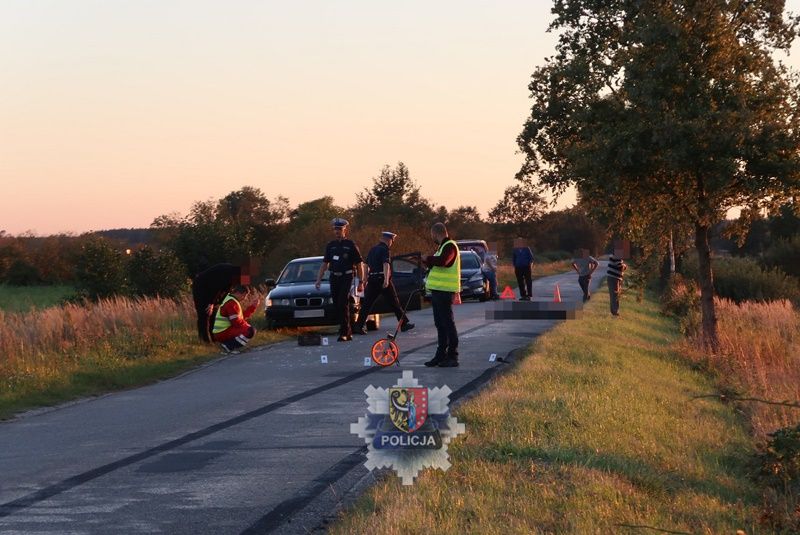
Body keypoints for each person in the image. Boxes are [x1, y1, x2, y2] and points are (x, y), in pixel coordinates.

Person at [355, 231, 415, 335]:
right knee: (394, 303)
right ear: (388, 240)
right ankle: (404, 324)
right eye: (392, 240)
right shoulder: (385, 249)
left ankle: (358, 326)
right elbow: (386, 264)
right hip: (381, 278)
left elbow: (365, 265)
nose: (392, 243)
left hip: (372, 279)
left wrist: (365, 279)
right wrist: (386, 280)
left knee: (367, 305)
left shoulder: (373, 249)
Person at [315, 218, 365, 341]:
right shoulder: (330, 246)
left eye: (339, 229)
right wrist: (318, 279)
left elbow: (359, 264)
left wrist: (361, 281)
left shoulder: (350, 245)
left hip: (347, 276)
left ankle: (344, 332)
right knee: (338, 304)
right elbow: (325, 263)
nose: (337, 231)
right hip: (334, 277)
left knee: (343, 302)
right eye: (335, 229)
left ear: (345, 230)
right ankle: (346, 329)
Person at [423, 222, 461, 368]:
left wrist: (429, 258)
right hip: (437, 291)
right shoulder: (441, 247)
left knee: (447, 324)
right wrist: (426, 261)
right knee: (440, 324)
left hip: (445, 292)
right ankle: (440, 355)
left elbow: (445, 262)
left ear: (435, 233)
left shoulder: (450, 246)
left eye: (431, 235)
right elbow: (437, 265)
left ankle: (452, 356)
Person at [191, 263, 245, 343]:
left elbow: (226, 290)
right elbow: (215, 288)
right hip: (201, 286)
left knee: (214, 314)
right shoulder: (226, 272)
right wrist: (211, 303)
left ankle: (214, 339)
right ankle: (204, 340)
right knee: (205, 313)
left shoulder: (234, 276)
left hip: (212, 289)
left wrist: (219, 303)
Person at [212, 284, 260, 353]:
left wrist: (253, 307)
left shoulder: (230, 299)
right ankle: (229, 346)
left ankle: (230, 345)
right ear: (238, 293)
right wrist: (247, 326)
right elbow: (236, 322)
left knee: (249, 329)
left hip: (222, 331)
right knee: (250, 331)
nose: (244, 298)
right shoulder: (231, 303)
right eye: (245, 295)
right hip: (223, 332)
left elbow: (240, 317)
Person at [607, 249, 627, 316]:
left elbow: (620, 266)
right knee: (615, 295)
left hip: (615, 278)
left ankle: (614, 311)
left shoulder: (617, 257)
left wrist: (623, 265)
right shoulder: (616, 257)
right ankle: (615, 312)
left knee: (614, 295)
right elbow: (620, 267)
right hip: (614, 278)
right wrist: (625, 266)